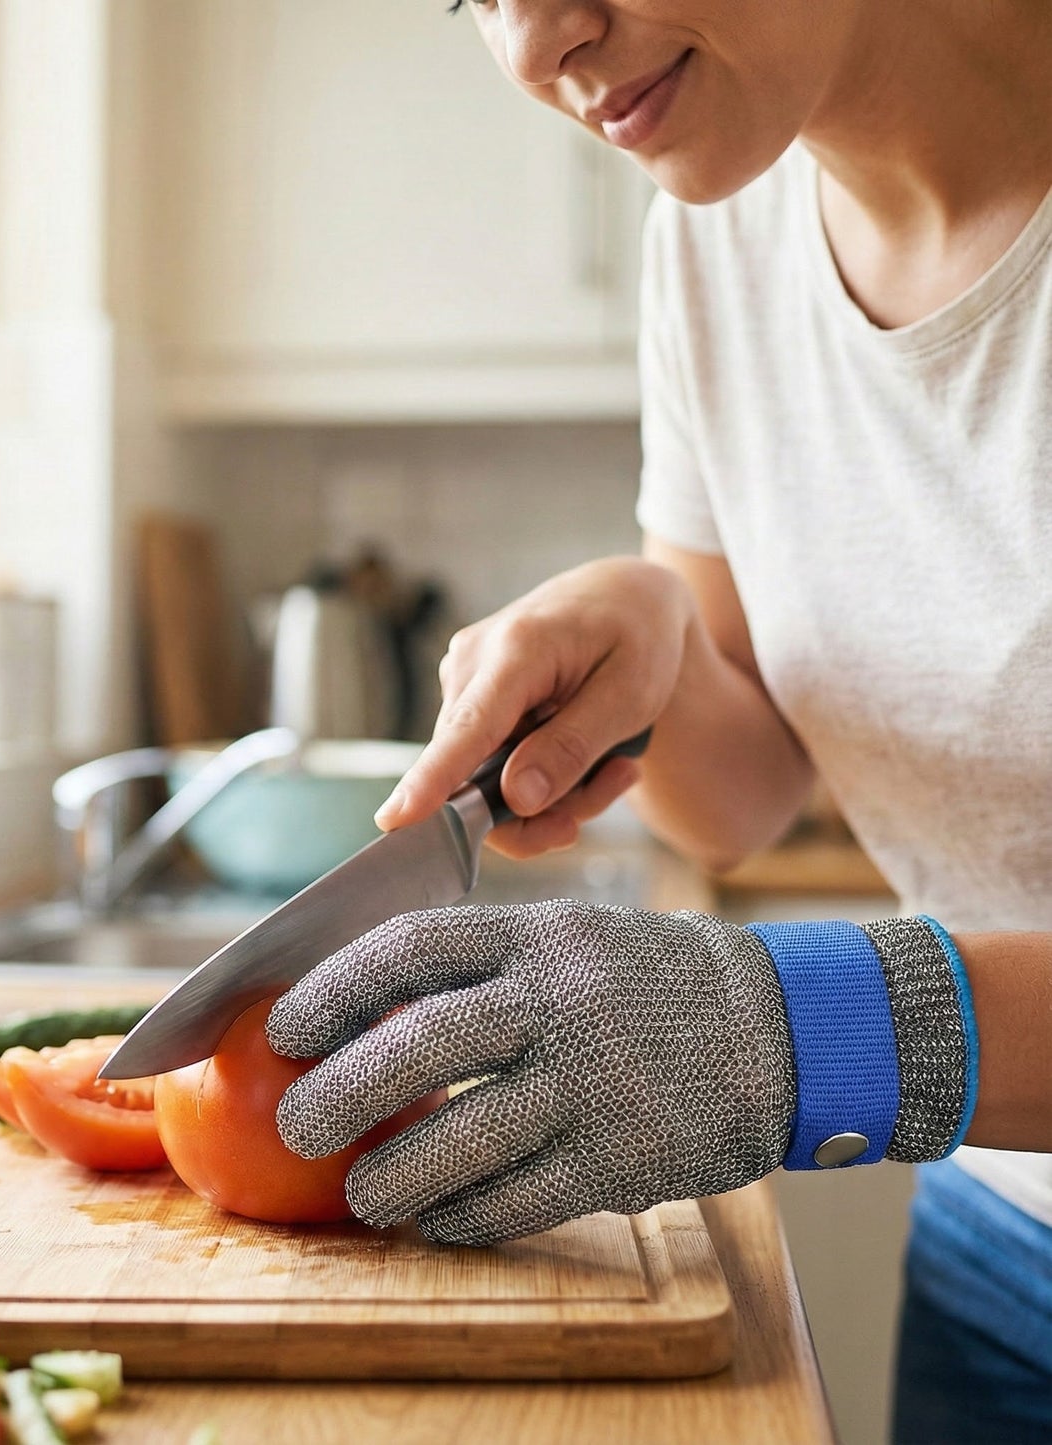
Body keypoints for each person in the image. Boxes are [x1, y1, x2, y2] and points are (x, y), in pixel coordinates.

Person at [263, 3, 1052, 1441]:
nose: (531, 43)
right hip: (994, 1212)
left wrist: (808, 1033)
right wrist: (651, 629)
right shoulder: (720, 231)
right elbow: (737, 798)